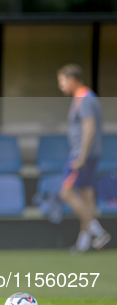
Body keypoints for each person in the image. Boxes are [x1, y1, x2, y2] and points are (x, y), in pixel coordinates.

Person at [57, 64, 111, 253]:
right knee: (87, 199)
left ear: (72, 80)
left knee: (66, 192)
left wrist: (81, 156)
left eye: (62, 81)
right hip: (90, 155)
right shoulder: (84, 98)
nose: (61, 86)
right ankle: (83, 244)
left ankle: (97, 231)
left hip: (82, 155)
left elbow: (89, 128)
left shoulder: (85, 99)